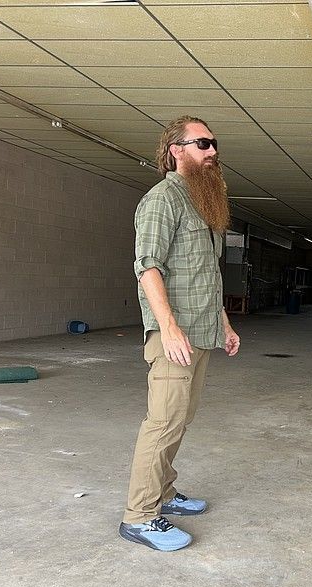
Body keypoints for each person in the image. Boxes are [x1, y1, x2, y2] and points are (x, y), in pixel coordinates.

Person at [119, 115, 240, 552]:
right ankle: (140, 516)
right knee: (163, 422)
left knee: (180, 420)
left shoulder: (202, 204)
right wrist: (167, 328)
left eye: (214, 144)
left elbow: (205, 273)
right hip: (175, 335)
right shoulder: (161, 200)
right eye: (203, 144)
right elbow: (147, 266)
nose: (213, 152)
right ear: (177, 150)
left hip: (201, 332)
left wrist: (223, 322)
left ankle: (164, 493)